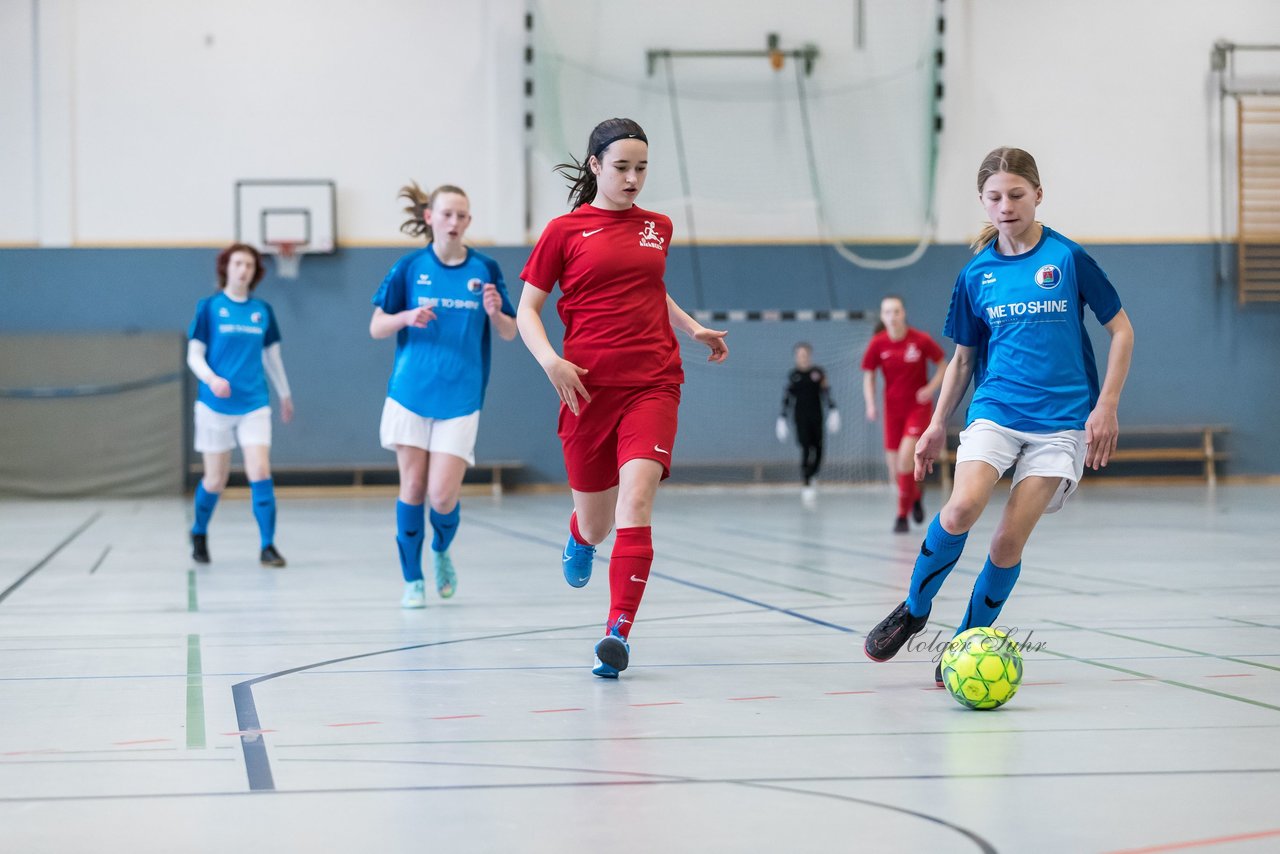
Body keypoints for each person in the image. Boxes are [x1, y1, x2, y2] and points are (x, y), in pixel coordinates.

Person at [861, 147, 1134, 685]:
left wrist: (1107, 405)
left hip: (1060, 424)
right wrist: (938, 423)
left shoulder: (1068, 258)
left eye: (1016, 194)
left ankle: (963, 643)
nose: (1006, 206)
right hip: (996, 411)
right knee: (960, 507)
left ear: (1038, 195)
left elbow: (1121, 329)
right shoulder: (975, 275)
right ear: (982, 204)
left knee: (1006, 540)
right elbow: (963, 359)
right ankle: (915, 609)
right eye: (995, 197)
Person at [517, 117, 729, 678]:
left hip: (654, 382)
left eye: (641, 168)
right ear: (594, 167)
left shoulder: (657, 226)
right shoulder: (564, 232)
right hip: (586, 387)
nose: (633, 178)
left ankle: (617, 633)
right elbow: (527, 310)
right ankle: (578, 536)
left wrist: (691, 328)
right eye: (622, 167)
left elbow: (649, 289)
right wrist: (551, 361)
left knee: (637, 500)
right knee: (598, 523)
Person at [370, 182, 517, 608]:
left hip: (461, 396)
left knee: (442, 495)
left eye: (462, 216)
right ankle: (412, 579)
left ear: (469, 222)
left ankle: (440, 551)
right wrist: (404, 316)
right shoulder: (409, 267)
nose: (455, 222)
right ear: (429, 218)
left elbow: (509, 331)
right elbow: (376, 326)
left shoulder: (485, 269)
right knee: (412, 487)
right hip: (410, 392)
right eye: (447, 214)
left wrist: (495, 313)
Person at [187, 243, 293, 567]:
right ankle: (199, 531)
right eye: (237, 263)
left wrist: (285, 394)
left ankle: (267, 546)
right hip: (214, 407)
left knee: (259, 469)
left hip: (254, 403)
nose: (243, 269)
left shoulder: (262, 311)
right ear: (226, 268)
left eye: (249, 264)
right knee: (215, 480)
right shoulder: (209, 308)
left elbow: (272, 358)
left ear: (255, 272)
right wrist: (211, 380)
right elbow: (194, 355)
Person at [861, 296, 945, 532]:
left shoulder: (920, 340)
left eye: (896, 311)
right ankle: (916, 496)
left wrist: (930, 389)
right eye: (887, 312)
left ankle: (901, 516)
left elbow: (943, 364)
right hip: (892, 410)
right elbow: (868, 374)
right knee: (895, 471)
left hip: (917, 409)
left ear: (903, 314)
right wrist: (870, 403)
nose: (892, 316)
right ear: (882, 316)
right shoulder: (878, 344)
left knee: (905, 458)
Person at [776, 342, 840, 504]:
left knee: (818, 448)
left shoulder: (818, 373)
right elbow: (787, 398)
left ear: (809, 355)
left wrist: (833, 410)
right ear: (796, 357)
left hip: (816, 417)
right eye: (799, 355)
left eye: (805, 354)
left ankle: (813, 474)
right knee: (805, 448)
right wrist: (782, 417)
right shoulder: (793, 375)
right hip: (800, 418)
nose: (802, 357)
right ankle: (806, 480)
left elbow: (826, 392)